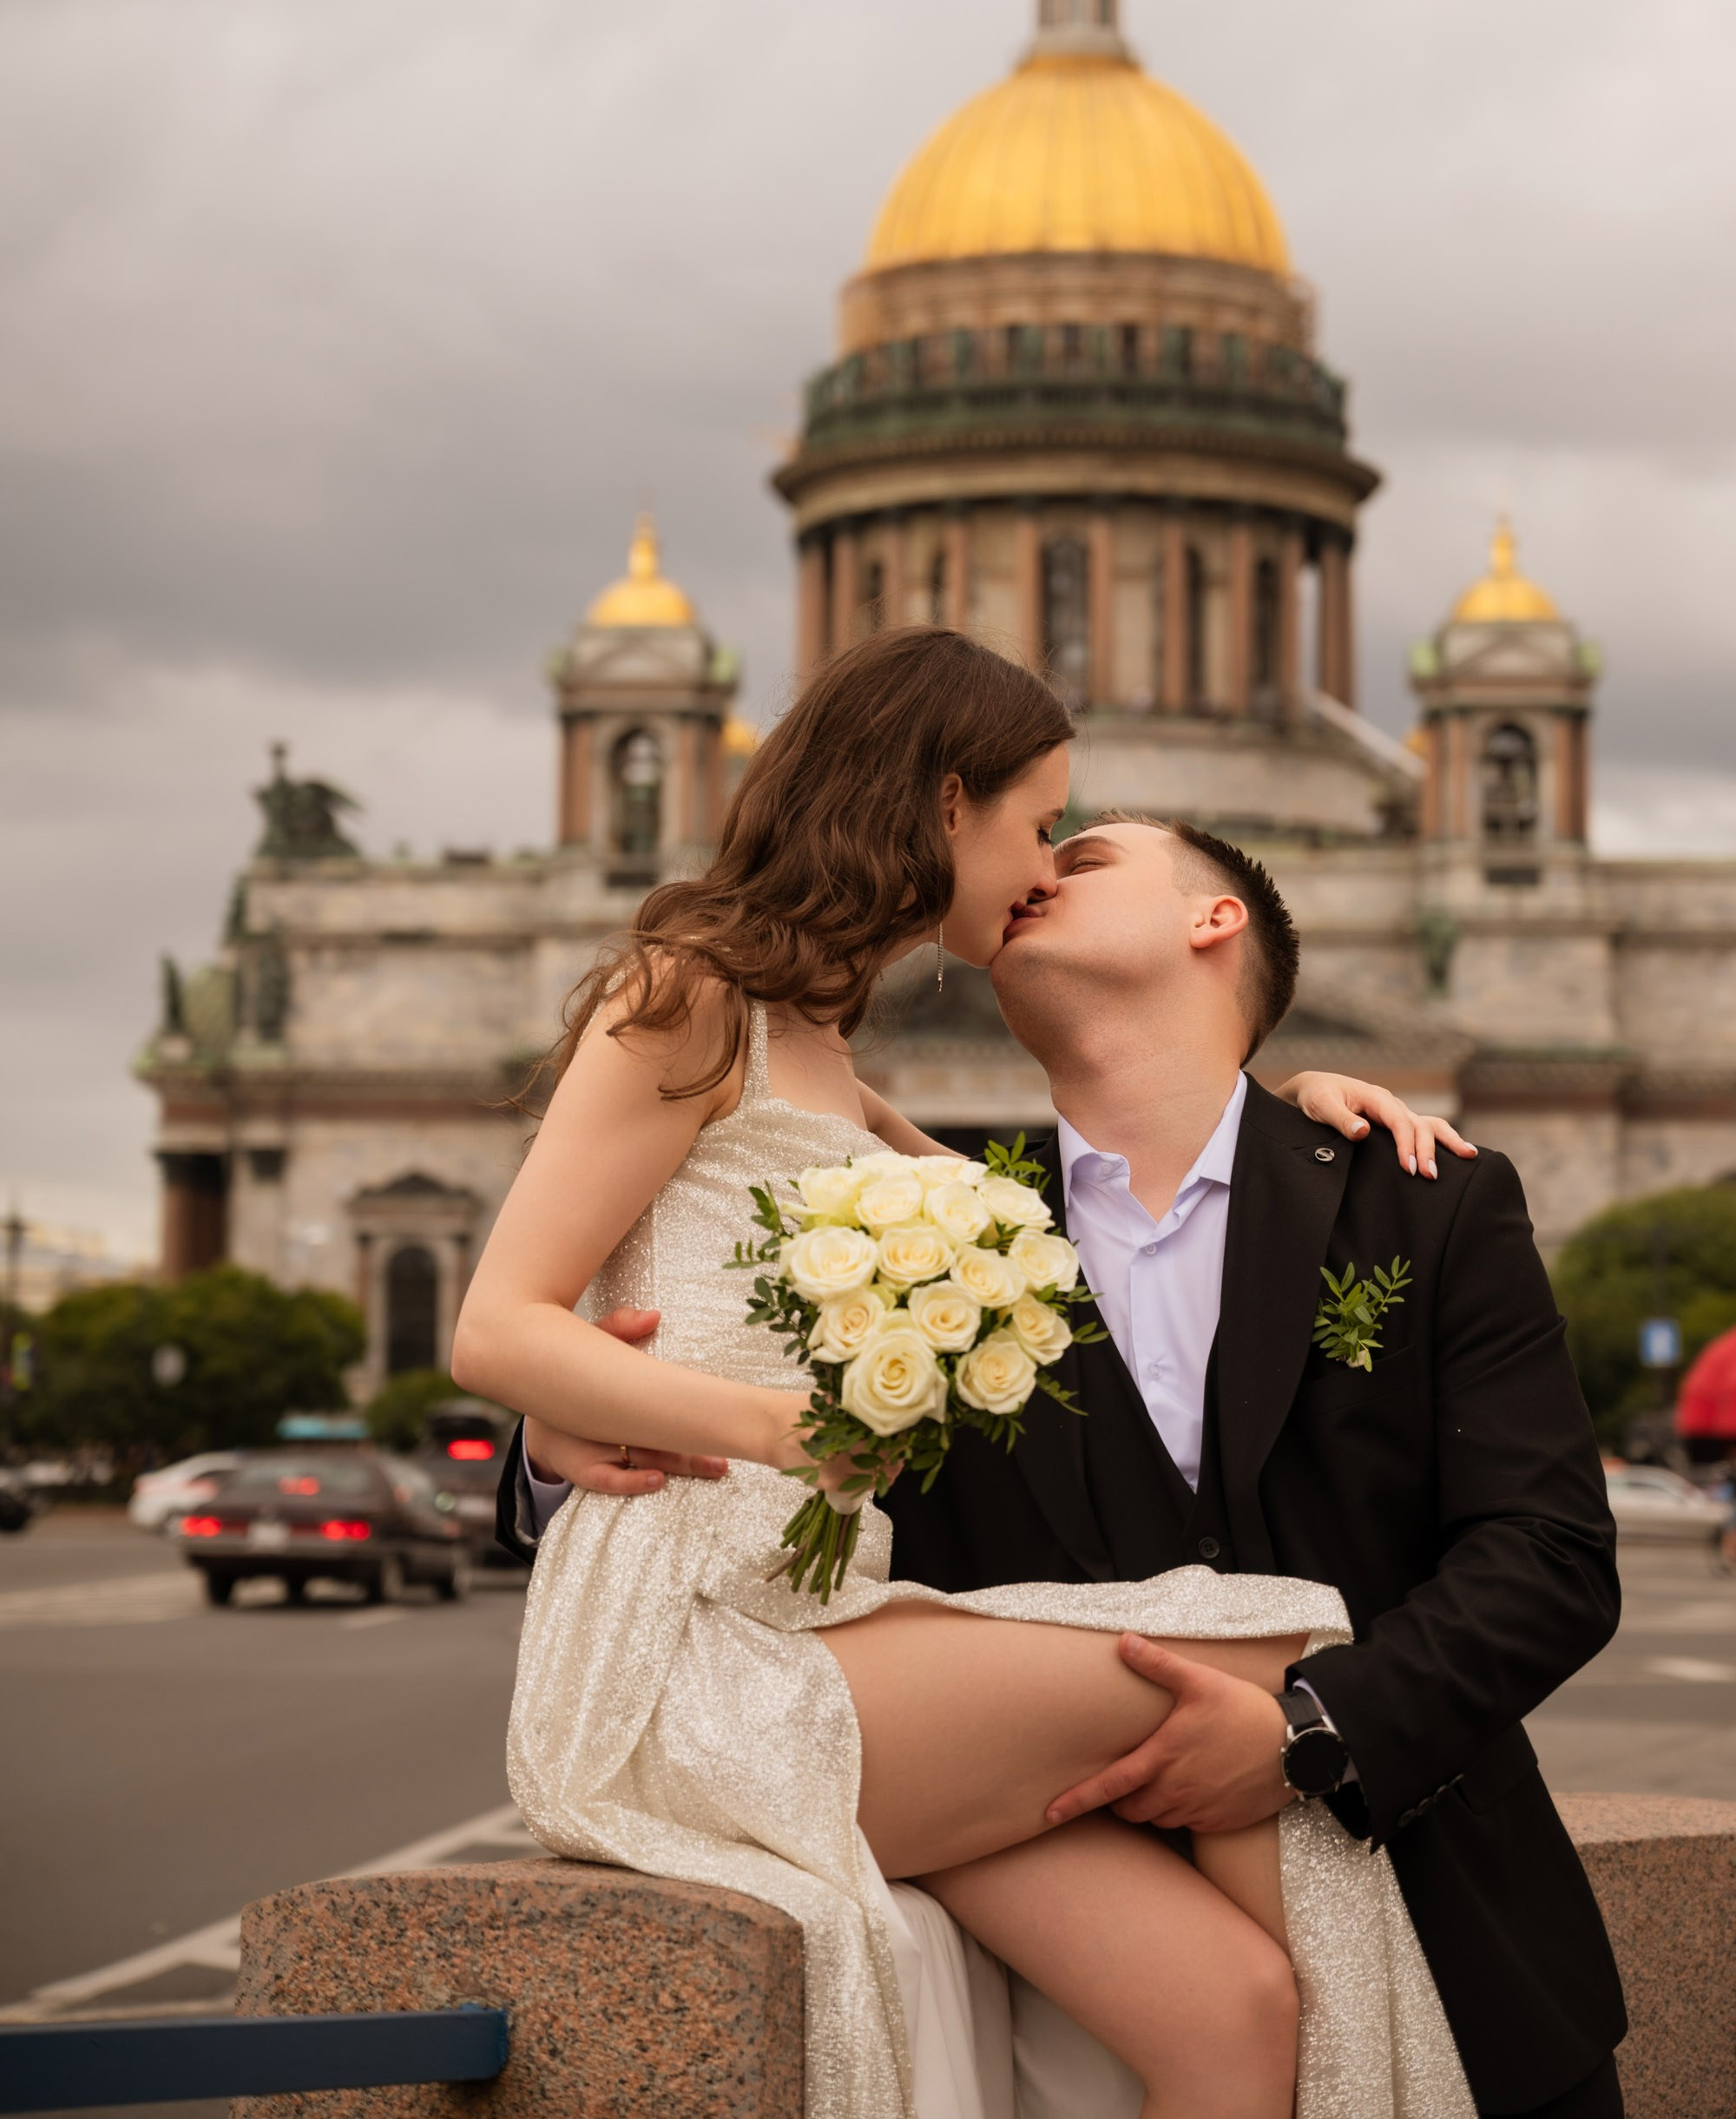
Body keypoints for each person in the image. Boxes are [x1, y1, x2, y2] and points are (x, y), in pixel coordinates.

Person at [456, 628, 1608, 2119]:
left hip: (1301, 1849)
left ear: (1213, 925)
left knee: (1233, 2009)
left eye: (1087, 841)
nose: (1048, 861)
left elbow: (1557, 1556)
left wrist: (1286, 1114)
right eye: (1040, 820)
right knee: (1257, 1648)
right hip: (754, 1645)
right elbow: (548, 1320)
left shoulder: (1396, 1190)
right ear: (944, 803)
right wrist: (584, 1434)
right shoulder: (793, 1077)